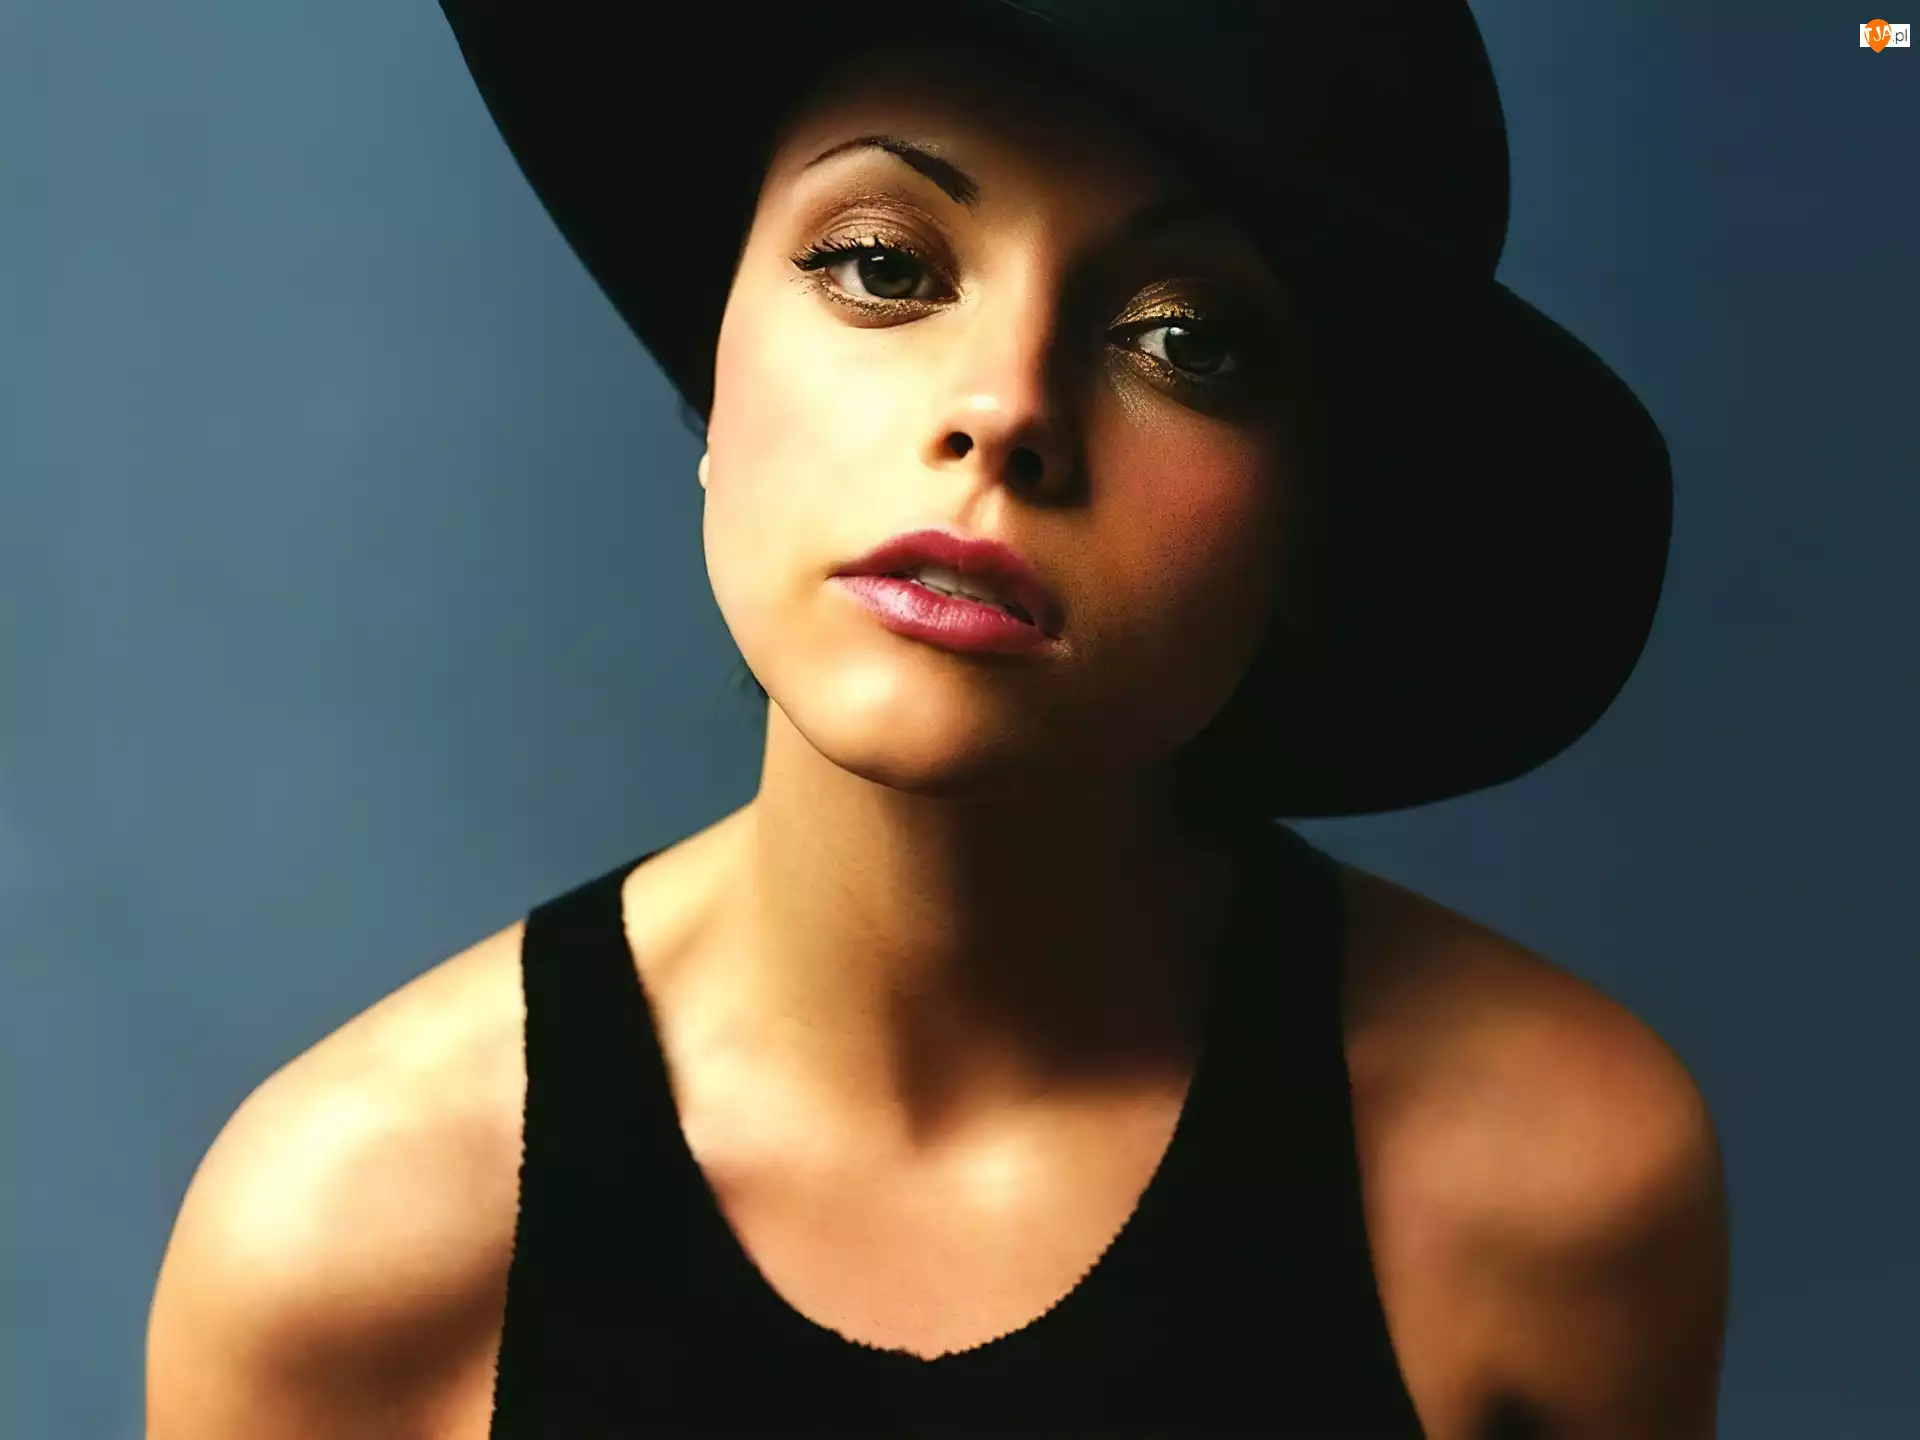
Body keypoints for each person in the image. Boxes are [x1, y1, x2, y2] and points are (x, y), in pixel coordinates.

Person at [145, 3, 1730, 1436]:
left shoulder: (1551, 1185)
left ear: (1307, 526)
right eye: (883, 265)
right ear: (712, 370)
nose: (1006, 405)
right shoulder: (342, 1250)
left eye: (1185, 340)